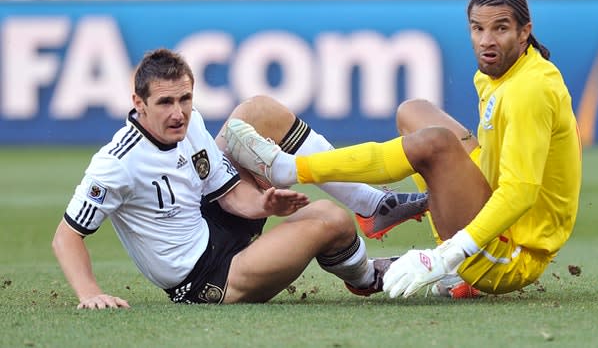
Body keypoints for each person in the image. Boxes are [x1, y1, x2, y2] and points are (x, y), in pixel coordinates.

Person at [223, 0, 582, 299]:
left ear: (524, 32)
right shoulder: (498, 72)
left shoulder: (529, 90)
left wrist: (445, 256)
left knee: (437, 144)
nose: (487, 40)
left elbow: (521, 193)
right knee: (414, 112)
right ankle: (372, 205)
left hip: (510, 256)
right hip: (496, 214)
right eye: (478, 28)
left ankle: (290, 168)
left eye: (500, 29)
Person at [51, 48, 393, 309]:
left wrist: (263, 204)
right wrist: (91, 293)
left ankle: (369, 202)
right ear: (138, 103)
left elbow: (226, 193)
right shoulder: (116, 163)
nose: (178, 113)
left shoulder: (192, 123)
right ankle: (367, 278)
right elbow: (66, 237)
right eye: (165, 102)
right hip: (207, 277)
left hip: (215, 223)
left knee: (256, 112)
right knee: (332, 220)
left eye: (185, 99)